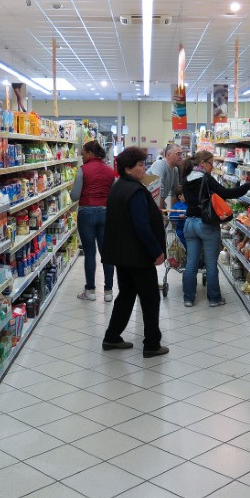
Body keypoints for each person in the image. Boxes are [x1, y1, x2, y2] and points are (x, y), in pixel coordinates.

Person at [101, 147, 169, 358]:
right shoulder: (136, 191)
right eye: (140, 165)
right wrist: (156, 251)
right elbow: (142, 226)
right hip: (138, 256)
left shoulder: (119, 187)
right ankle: (151, 344)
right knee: (150, 299)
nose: (144, 168)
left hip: (122, 255)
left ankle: (111, 337)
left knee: (127, 295)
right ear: (128, 169)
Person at [181, 151, 250, 307]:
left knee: (191, 262)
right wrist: (249, 185)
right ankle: (214, 299)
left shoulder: (185, 177)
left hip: (189, 223)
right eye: (211, 163)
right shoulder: (205, 178)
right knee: (210, 263)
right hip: (205, 224)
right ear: (202, 163)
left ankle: (188, 298)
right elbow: (226, 193)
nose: (212, 167)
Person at [70, 140, 116, 302]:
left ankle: (90, 291)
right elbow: (115, 195)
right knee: (107, 254)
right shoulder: (111, 171)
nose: (82, 157)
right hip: (106, 213)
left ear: (90, 154)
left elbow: (74, 196)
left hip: (86, 213)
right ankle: (109, 291)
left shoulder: (82, 171)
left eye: (83, 154)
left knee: (90, 253)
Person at [147, 143, 183, 209]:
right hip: (147, 205)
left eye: (181, 154)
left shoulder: (175, 169)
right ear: (168, 155)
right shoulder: (160, 164)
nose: (181, 157)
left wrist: (174, 214)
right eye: (178, 154)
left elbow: (175, 193)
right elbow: (159, 192)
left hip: (154, 205)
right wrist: (161, 214)